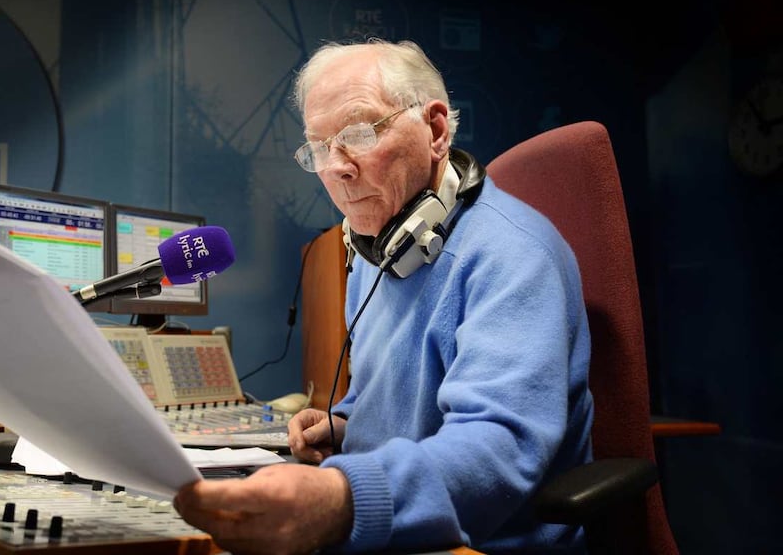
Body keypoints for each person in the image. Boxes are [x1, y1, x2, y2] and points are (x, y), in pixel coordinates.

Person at [174, 38, 594, 555]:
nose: (336, 167)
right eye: (320, 147)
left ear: (436, 129)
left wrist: (341, 498)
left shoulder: (514, 254)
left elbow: (498, 450)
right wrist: (346, 424)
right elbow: (397, 396)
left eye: (357, 133)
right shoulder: (378, 252)